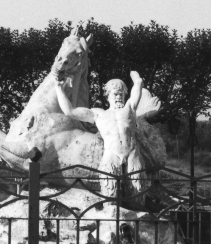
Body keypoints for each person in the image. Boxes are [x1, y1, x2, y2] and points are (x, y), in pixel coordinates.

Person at [55, 70, 148, 199]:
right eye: (115, 94)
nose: (119, 97)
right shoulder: (98, 114)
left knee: (137, 197)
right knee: (110, 197)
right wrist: (59, 88)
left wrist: (135, 76)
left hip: (133, 154)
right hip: (111, 156)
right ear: (107, 95)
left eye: (121, 94)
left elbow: (138, 84)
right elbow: (70, 111)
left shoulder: (129, 108)